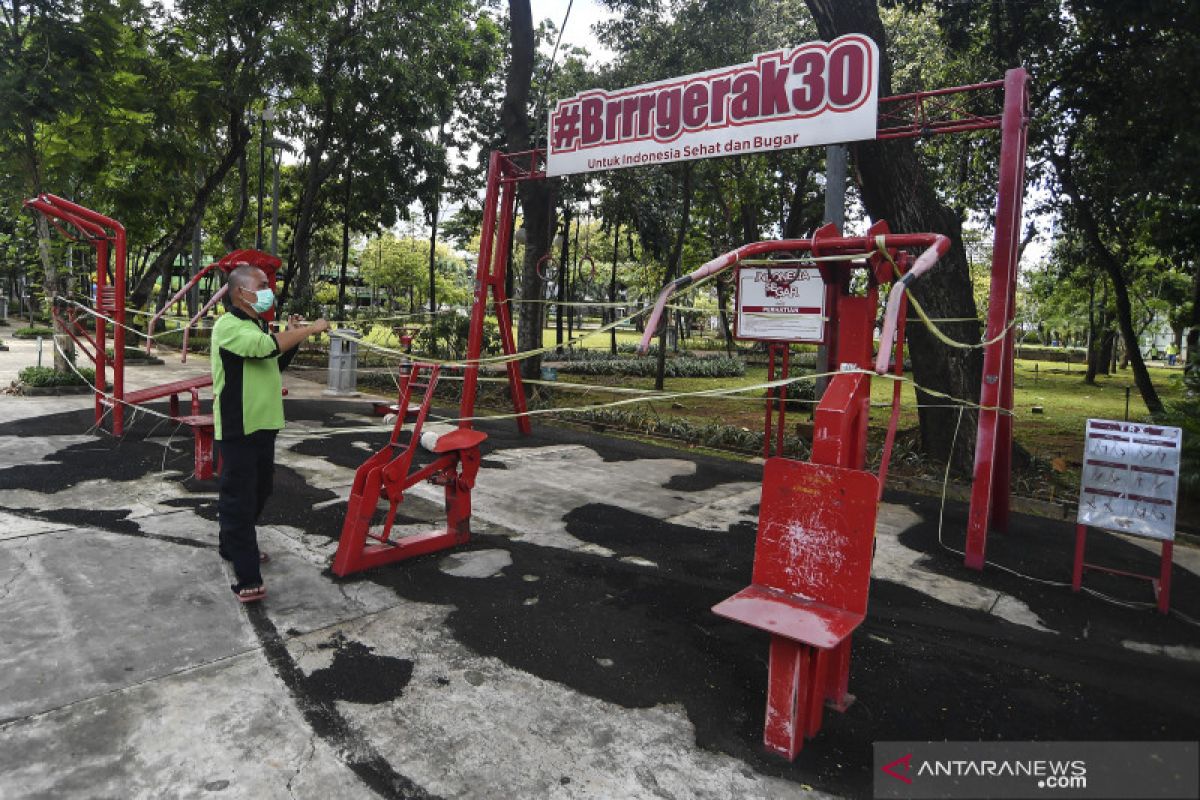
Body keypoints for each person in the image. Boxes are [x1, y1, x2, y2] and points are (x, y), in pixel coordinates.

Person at [211, 264, 329, 603]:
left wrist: (290, 337)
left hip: (264, 424)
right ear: (240, 292)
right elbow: (264, 348)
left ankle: (231, 543)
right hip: (239, 426)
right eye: (262, 284)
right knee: (239, 497)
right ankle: (248, 576)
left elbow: (272, 360)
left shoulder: (256, 326)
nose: (268, 290)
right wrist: (309, 330)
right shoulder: (228, 326)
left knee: (261, 489)